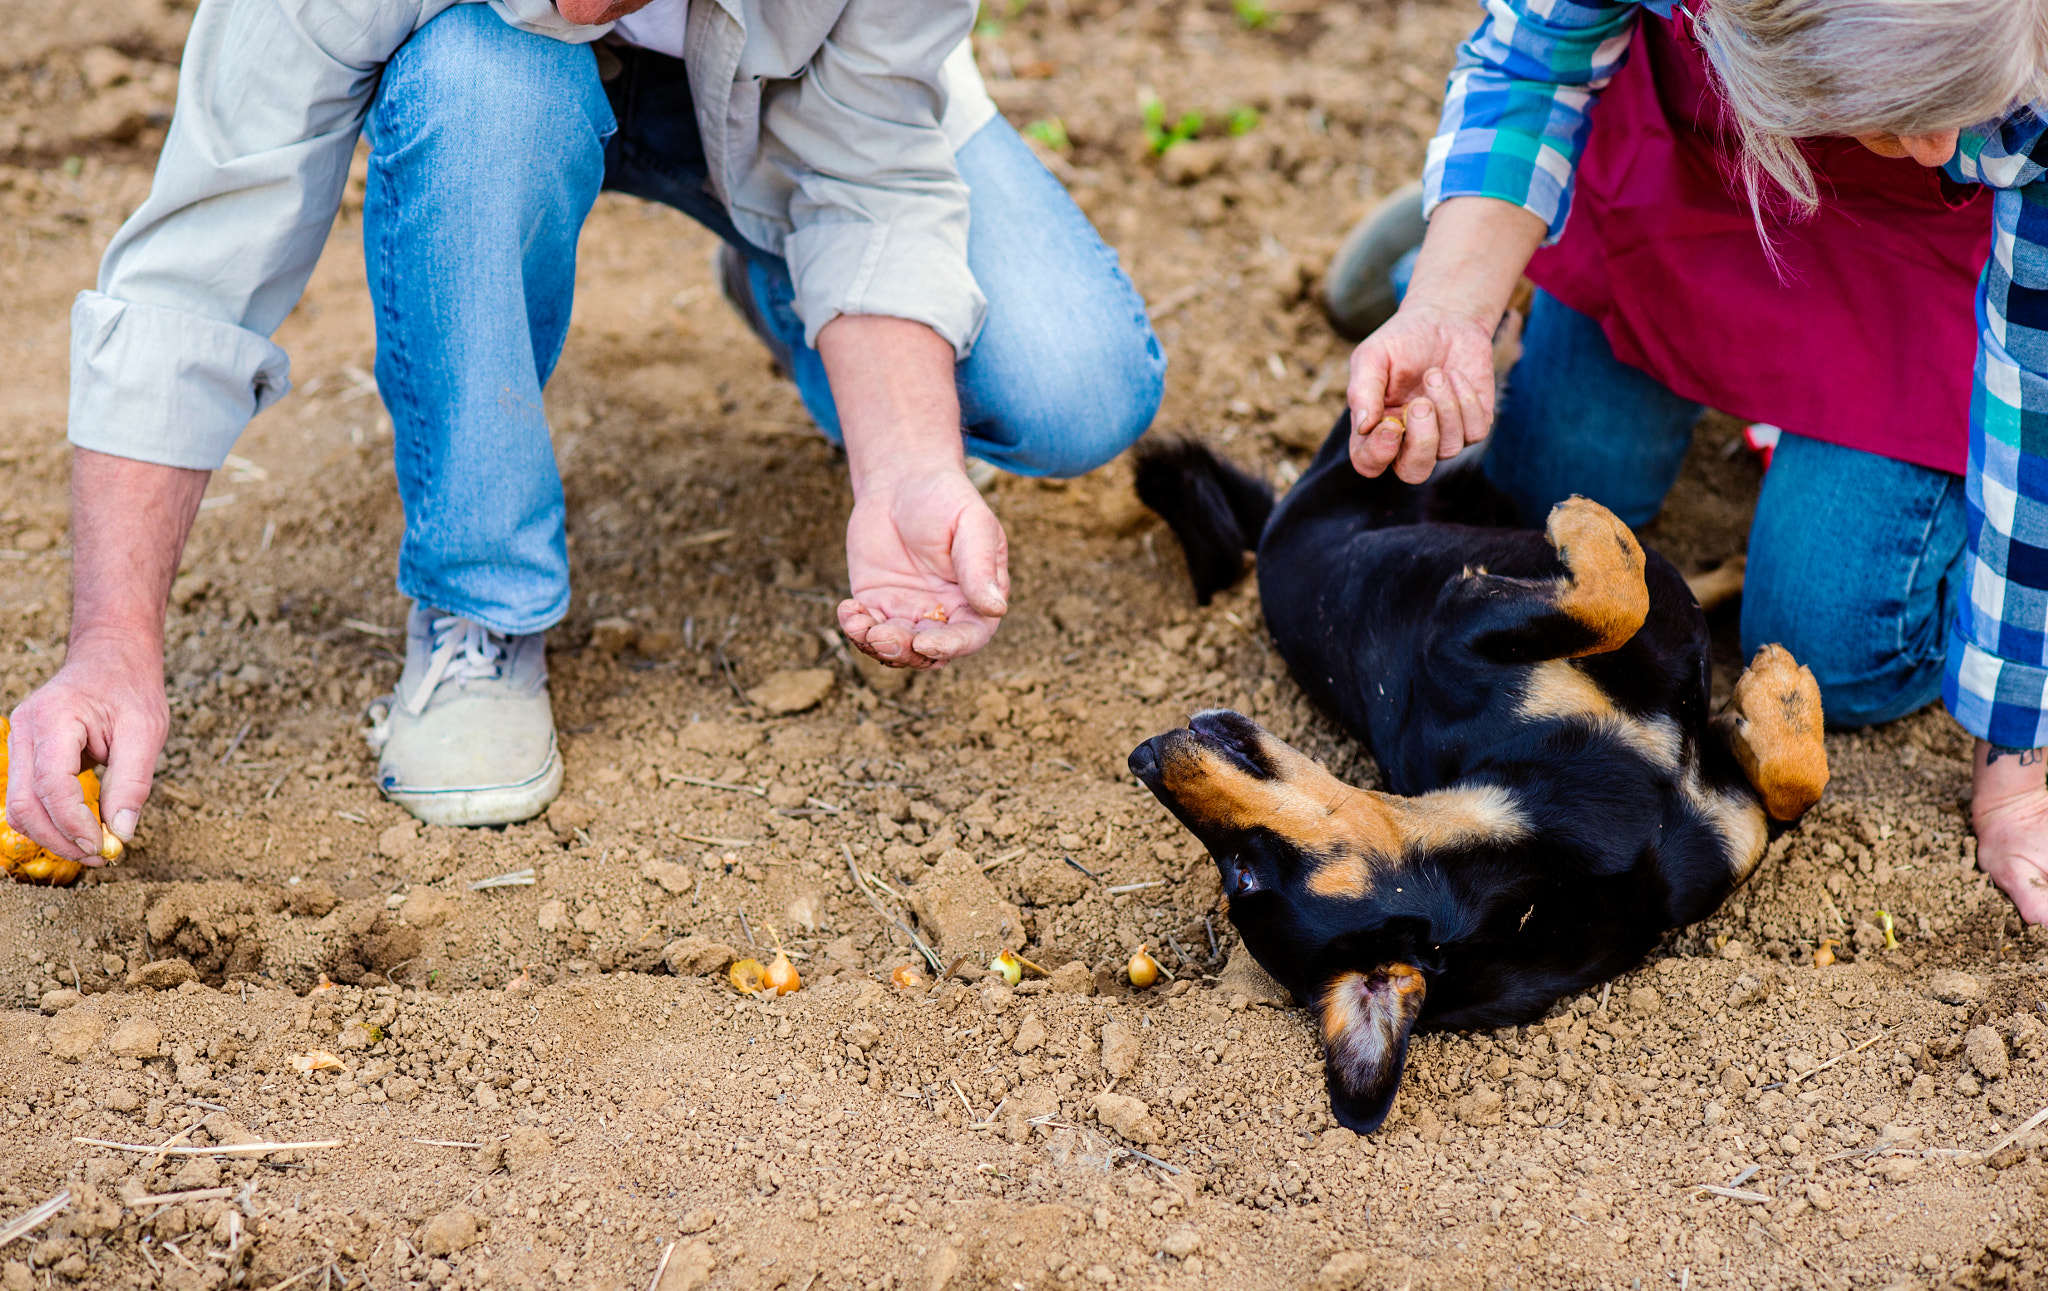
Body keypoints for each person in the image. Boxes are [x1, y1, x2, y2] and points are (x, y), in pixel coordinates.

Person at [4, 0, 1165, 848]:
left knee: (1073, 387)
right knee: (481, 86)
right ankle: (479, 601)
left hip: (788, 92)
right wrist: (109, 647)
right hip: (484, 95)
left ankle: (792, 296)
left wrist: (907, 466)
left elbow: (871, 175)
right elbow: (195, 266)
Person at [1321, 0, 2048, 926]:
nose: (1946, 139)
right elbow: (1534, 55)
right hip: (1705, 169)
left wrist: (2017, 768)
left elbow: (2038, 391)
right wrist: (1451, 306)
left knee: (1840, 659)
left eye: (1958, 102)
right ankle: (1483, 220)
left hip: (1921, 256)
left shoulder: (1996, 108)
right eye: (1905, 108)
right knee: (1551, 493)